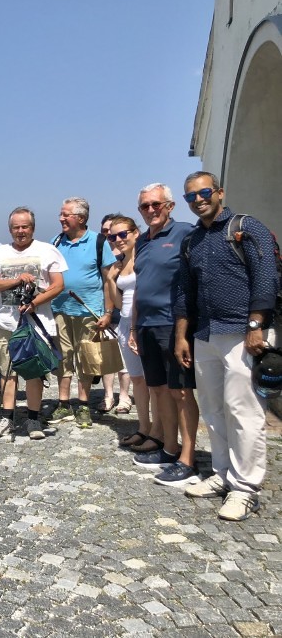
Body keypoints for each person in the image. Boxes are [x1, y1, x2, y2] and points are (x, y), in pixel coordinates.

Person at [175, 171, 278, 520]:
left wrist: (256, 326)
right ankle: (223, 473)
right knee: (213, 409)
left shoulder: (247, 228)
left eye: (204, 192)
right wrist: (182, 336)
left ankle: (246, 488)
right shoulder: (192, 240)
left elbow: (266, 278)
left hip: (241, 333)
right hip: (206, 334)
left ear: (219, 192)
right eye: (191, 196)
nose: (198, 200)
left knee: (243, 411)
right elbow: (185, 292)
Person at [128, 183, 201, 487]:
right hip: (146, 325)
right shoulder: (142, 240)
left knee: (181, 392)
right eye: (144, 206)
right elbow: (140, 287)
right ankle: (169, 449)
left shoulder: (185, 232)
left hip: (173, 325)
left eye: (156, 204)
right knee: (158, 390)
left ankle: (188, 459)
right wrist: (134, 327)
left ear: (170, 206)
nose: (150, 210)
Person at [0, 207, 66, 440]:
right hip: (5, 322)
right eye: (16, 227)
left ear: (33, 228)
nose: (20, 231)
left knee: (34, 372)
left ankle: (33, 419)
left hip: (37, 323)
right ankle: (7, 418)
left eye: (25, 227)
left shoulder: (47, 250)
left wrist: (35, 302)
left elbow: (58, 284)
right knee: (7, 373)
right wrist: (16, 280)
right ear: (10, 229)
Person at [50, 198, 116, 428]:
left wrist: (108, 312)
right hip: (59, 309)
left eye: (65, 214)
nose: (61, 218)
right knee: (63, 357)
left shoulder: (99, 241)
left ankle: (84, 405)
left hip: (89, 311)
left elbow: (108, 280)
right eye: (61, 214)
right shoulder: (56, 242)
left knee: (86, 358)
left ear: (80, 218)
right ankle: (63, 404)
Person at [103, 217, 152, 449]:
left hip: (143, 323)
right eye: (112, 236)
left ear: (135, 233)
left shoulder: (145, 258)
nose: (118, 239)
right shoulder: (119, 263)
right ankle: (144, 428)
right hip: (124, 322)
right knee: (138, 379)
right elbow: (120, 303)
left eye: (123, 234)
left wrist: (135, 327)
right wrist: (111, 279)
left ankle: (159, 431)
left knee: (153, 382)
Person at [98, 213, 133, 414]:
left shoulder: (128, 255)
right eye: (106, 233)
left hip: (126, 314)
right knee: (108, 357)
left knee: (125, 359)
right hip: (107, 312)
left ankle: (124, 396)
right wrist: (106, 312)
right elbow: (104, 286)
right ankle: (108, 395)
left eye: (113, 233)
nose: (110, 237)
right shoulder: (103, 255)